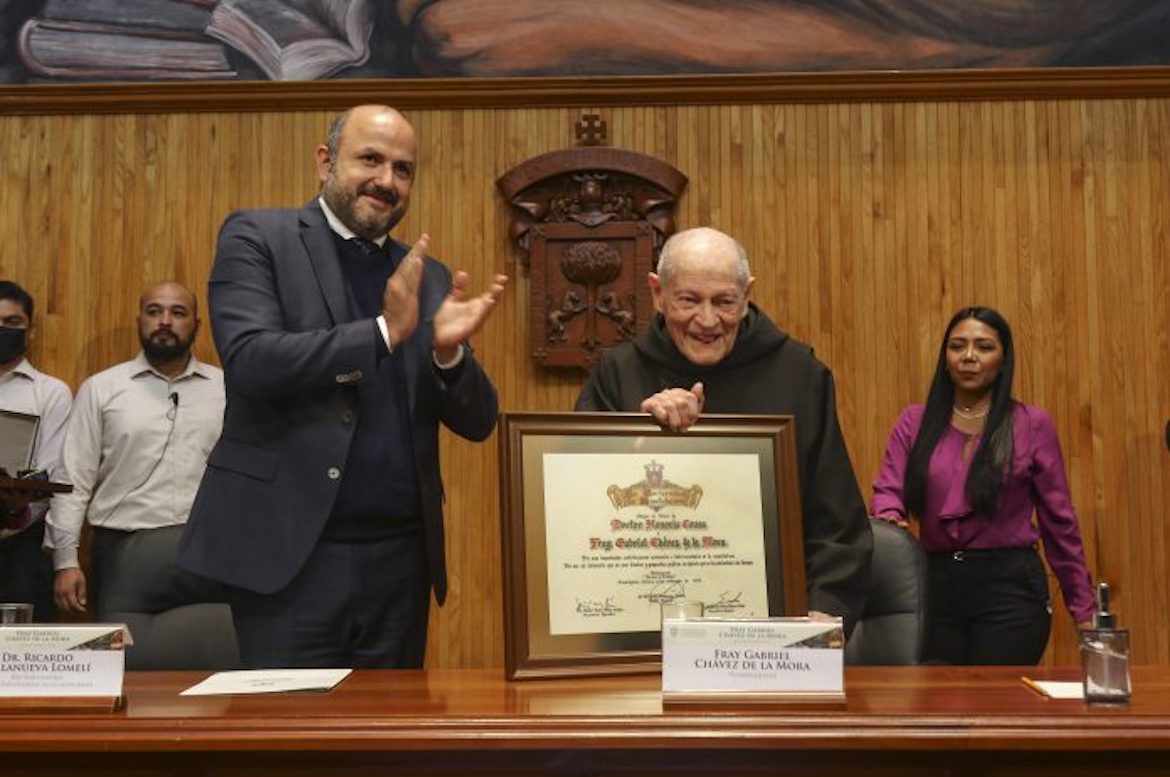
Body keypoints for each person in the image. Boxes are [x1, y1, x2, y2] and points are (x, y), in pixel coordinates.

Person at [178, 104, 508, 669]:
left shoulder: (426, 275)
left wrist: (449, 355)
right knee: (291, 726)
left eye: (403, 169)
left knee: (388, 728)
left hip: (399, 566)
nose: (386, 180)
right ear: (325, 162)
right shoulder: (259, 236)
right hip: (289, 558)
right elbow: (253, 360)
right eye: (370, 160)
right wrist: (382, 334)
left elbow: (479, 423)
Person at [575, 226, 872, 634]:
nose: (708, 320)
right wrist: (637, 434)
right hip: (638, 623)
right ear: (658, 293)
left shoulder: (800, 375)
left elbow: (836, 522)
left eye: (725, 301)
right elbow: (582, 510)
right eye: (689, 300)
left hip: (770, 631)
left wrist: (821, 616)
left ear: (747, 295)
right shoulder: (617, 374)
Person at [870, 306, 1094, 665]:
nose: (969, 356)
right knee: (937, 696)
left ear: (1003, 360)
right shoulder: (914, 422)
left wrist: (1083, 609)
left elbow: (1059, 522)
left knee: (996, 697)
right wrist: (889, 517)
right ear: (945, 359)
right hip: (934, 586)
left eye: (984, 347)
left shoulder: (1030, 424)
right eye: (957, 346)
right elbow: (887, 491)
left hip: (1009, 588)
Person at [46, 281, 225, 618]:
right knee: (127, 650)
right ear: (139, 321)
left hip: (207, 546)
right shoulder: (102, 389)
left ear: (197, 325)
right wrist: (65, 561)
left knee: (208, 642)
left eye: (178, 313)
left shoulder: (227, 389)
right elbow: (72, 479)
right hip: (121, 546)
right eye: (154, 311)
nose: (165, 321)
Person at [0, 280, 71, 622]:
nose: (3, 329)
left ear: (31, 330)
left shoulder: (51, 393)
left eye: (12, 322)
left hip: (20, 545)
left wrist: (16, 509)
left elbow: (50, 476)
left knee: (19, 647)